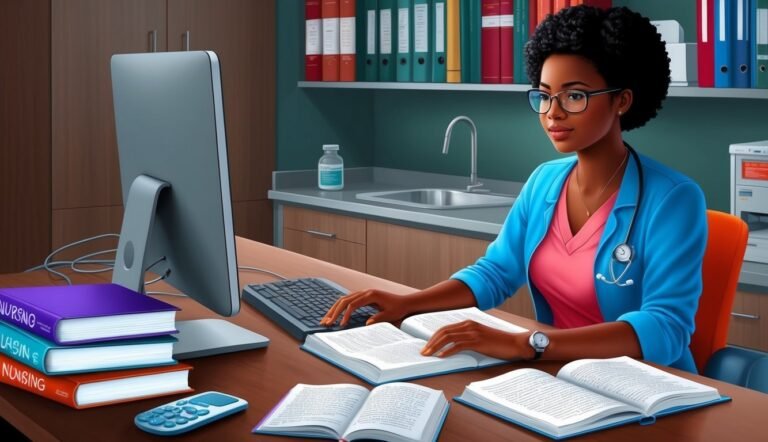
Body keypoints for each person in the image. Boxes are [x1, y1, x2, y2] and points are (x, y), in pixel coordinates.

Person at [321, 5, 707, 373]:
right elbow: (495, 274)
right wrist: (408, 304)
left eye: (574, 96)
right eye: (544, 95)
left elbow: (665, 328)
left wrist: (530, 344)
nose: (553, 112)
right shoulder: (545, 181)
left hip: (648, 387)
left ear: (622, 100)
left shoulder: (673, 199)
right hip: (559, 374)